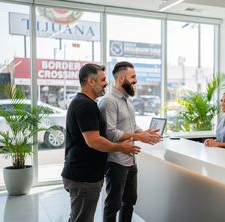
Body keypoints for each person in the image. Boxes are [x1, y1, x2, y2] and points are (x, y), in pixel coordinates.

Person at [61, 63, 140, 222]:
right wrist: (120, 147)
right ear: (91, 81)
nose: (106, 83)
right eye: (103, 79)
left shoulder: (88, 103)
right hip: (83, 177)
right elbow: (94, 141)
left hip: (84, 175)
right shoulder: (85, 105)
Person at [99, 61, 162, 222]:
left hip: (130, 160)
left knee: (130, 201)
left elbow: (132, 126)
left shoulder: (127, 100)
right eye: (133, 77)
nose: (136, 80)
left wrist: (144, 133)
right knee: (113, 204)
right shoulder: (108, 101)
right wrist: (137, 137)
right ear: (121, 78)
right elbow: (111, 133)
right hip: (116, 161)